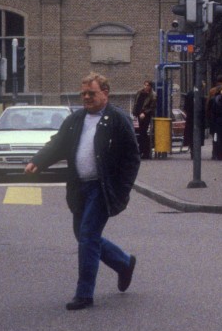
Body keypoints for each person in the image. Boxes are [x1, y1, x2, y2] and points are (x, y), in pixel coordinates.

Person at [26, 73, 140, 311]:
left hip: (102, 188)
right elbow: (58, 143)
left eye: (92, 93)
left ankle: (84, 294)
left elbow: (132, 157)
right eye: (83, 93)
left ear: (105, 93)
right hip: (80, 187)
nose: (86, 97)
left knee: (87, 235)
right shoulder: (76, 119)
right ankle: (124, 263)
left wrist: (123, 187)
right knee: (84, 235)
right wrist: (38, 160)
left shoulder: (118, 119)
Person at [132, 80, 156, 159]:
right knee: (140, 132)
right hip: (138, 114)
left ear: (150, 86)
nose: (146, 87)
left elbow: (152, 108)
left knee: (143, 132)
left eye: (147, 85)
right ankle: (142, 150)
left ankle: (145, 151)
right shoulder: (139, 92)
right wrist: (135, 112)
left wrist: (144, 113)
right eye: (145, 85)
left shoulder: (153, 95)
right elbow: (136, 102)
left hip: (146, 116)